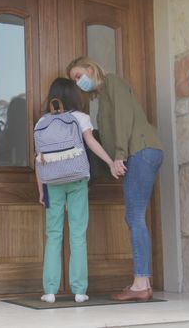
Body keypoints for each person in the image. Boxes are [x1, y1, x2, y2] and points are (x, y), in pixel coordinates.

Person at [67, 57, 164, 302]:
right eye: (75, 80)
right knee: (135, 216)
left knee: (134, 216)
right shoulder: (102, 95)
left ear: (90, 68)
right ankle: (143, 282)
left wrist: (120, 154)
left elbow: (123, 118)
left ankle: (140, 284)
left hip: (140, 151)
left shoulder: (112, 82)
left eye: (79, 76)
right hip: (140, 152)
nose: (79, 82)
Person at [36, 78, 118, 303]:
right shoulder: (80, 118)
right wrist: (110, 163)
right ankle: (79, 290)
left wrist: (41, 188)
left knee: (53, 235)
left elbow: (39, 159)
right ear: (74, 95)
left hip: (52, 182)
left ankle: (50, 290)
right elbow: (91, 142)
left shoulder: (43, 121)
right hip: (77, 179)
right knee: (77, 234)